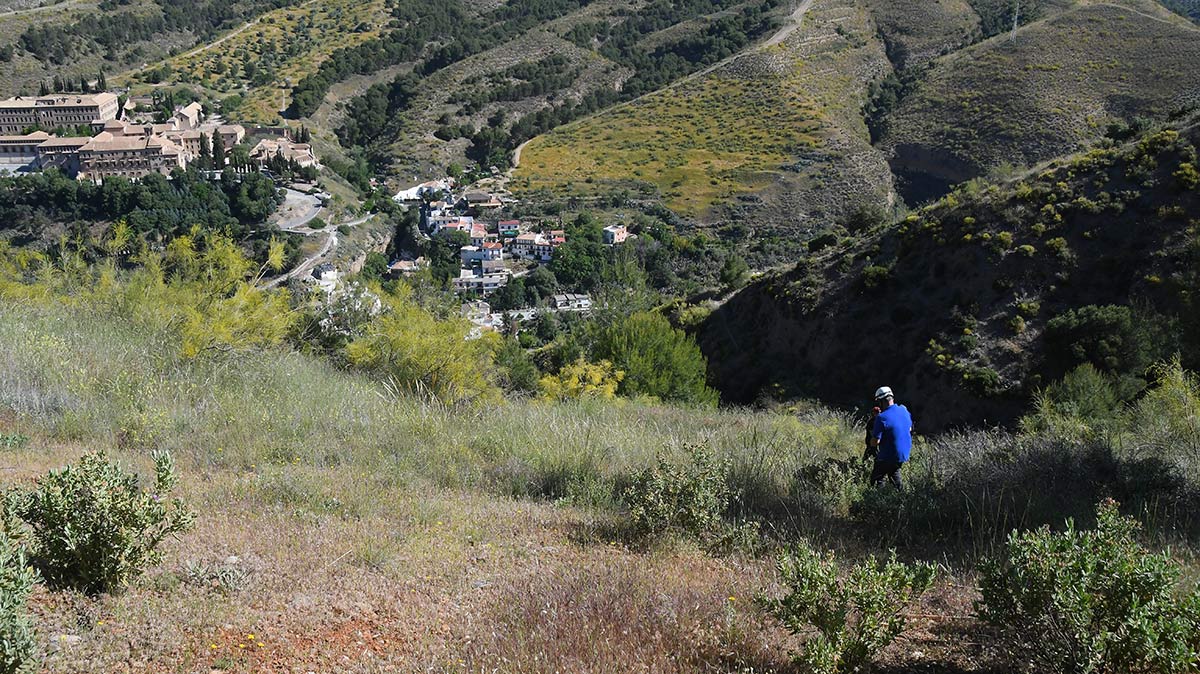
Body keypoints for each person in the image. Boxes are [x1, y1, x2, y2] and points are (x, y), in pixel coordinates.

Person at [867, 386, 912, 488]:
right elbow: (909, 429)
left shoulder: (882, 417)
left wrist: (872, 448)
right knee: (894, 473)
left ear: (881, 402)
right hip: (903, 454)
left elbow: (875, 441)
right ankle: (900, 497)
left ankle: (877, 500)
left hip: (888, 455)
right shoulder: (904, 410)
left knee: (877, 479)